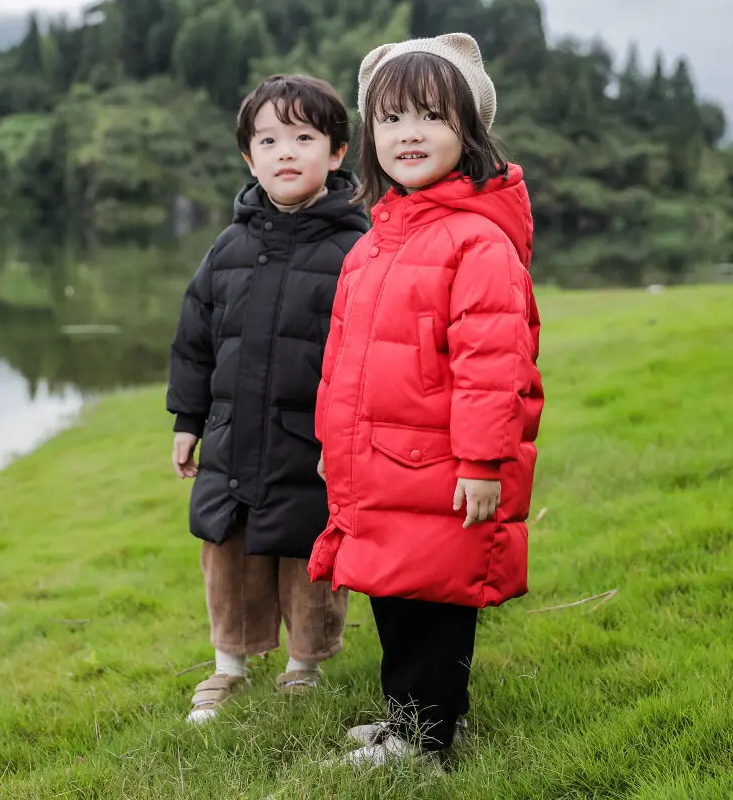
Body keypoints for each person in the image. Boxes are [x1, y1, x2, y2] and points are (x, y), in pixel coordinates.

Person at [309, 34, 544, 765]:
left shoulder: (476, 241)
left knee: (434, 602)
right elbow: (342, 364)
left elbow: (493, 363)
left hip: (441, 467)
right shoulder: (375, 242)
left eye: (430, 117)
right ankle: (409, 716)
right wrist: (333, 453)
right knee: (394, 592)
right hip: (380, 463)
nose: (408, 134)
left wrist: (481, 460)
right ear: (370, 134)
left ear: (468, 131)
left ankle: (428, 736)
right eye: (391, 118)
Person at [168, 74, 368, 725]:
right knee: (226, 549)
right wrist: (188, 419)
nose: (286, 151)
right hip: (232, 433)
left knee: (308, 556)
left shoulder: (353, 249)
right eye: (269, 139)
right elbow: (195, 338)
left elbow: (368, 354)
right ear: (249, 158)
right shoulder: (229, 247)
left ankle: (303, 670)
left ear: (336, 152)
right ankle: (229, 668)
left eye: (304, 137)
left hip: (311, 444)